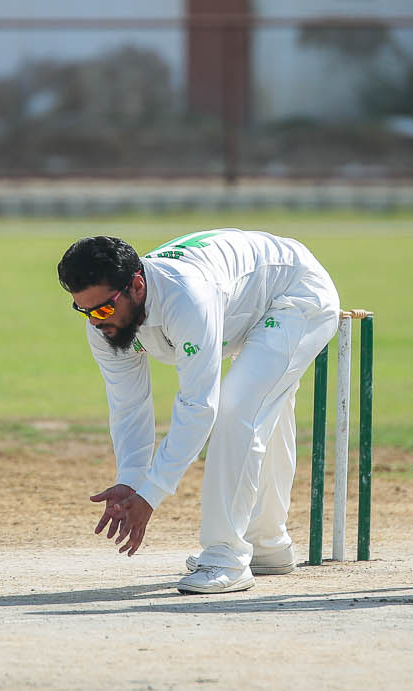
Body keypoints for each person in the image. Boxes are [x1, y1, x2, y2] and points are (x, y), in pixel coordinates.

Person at [57, 229, 341, 594]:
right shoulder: (103, 326)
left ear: (137, 287)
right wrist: (130, 480)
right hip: (242, 305)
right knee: (259, 405)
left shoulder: (187, 299)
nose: (96, 322)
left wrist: (151, 495)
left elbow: (199, 406)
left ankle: (226, 556)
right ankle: (267, 545)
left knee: (235, 408)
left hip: (296, 295)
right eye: (83, 310)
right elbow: (128, 406)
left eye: (104, 309)